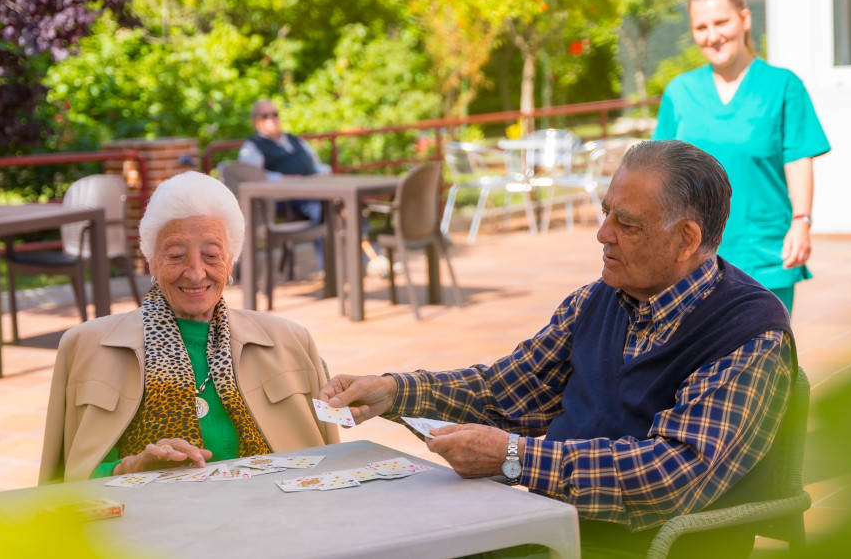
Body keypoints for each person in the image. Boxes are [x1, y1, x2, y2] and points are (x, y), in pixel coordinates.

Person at [321, 141, 796, 557]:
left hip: (654, 549)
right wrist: (394, 392)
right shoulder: (599, 299)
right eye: (606, 211)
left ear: (686, 239)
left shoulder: (748, 332)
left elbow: (673, 473)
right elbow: (503, 392)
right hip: (552, 527)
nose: (603, 233)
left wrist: (515, 458)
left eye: (626, 223)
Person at [39, 171, 339, 483]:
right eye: (176, 256)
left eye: (211, 255)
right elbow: (66, 485)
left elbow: (331, 469)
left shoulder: (291, 342)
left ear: (230, 262)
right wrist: (131, 467)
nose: (195, 274)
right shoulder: (86, 347)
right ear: (152, 263)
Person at [653, 0, 830, 314]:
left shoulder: (783, 86)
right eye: (701, 27)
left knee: (765, 355)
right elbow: (662, 171)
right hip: (690, 255)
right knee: (697, 360)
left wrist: (801, 221)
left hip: (763, 250)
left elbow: (798, 159)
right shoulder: (680, 92)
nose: (713, 35)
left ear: (745, 19)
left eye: (721, 22)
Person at [240, 98, 331, 265]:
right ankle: (329, 268)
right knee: (323, 210)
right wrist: (283, 179)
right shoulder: (252, 146)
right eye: (265, 115)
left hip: (314, 189)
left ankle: (369, 259)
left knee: (348, 205)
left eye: (275, 114)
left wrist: (323, 173)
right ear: (255, 121)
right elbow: (253, 176)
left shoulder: (295, 139)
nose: (272, 118)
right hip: (286, 198)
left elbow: (316, 164)